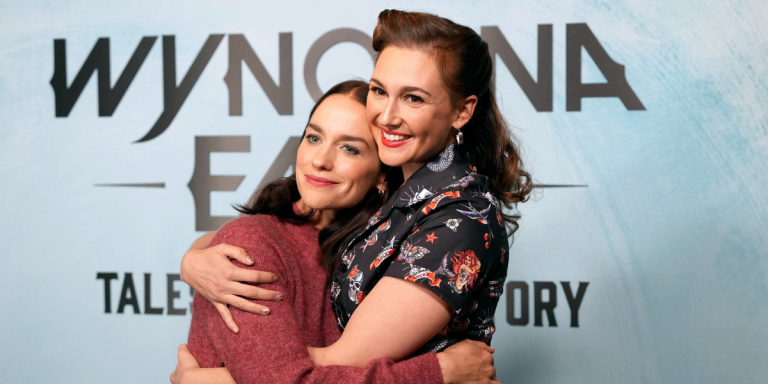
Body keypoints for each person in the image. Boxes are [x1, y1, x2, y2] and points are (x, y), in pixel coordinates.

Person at [176, 9, 531, 382]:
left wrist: (218, 378)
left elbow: (337, 361)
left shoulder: (461, 215)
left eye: (413, 98)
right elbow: (288, 237)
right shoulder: (399, 199)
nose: (387, 116)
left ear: (462, 110)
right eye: (379, 91)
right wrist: (193, 260)